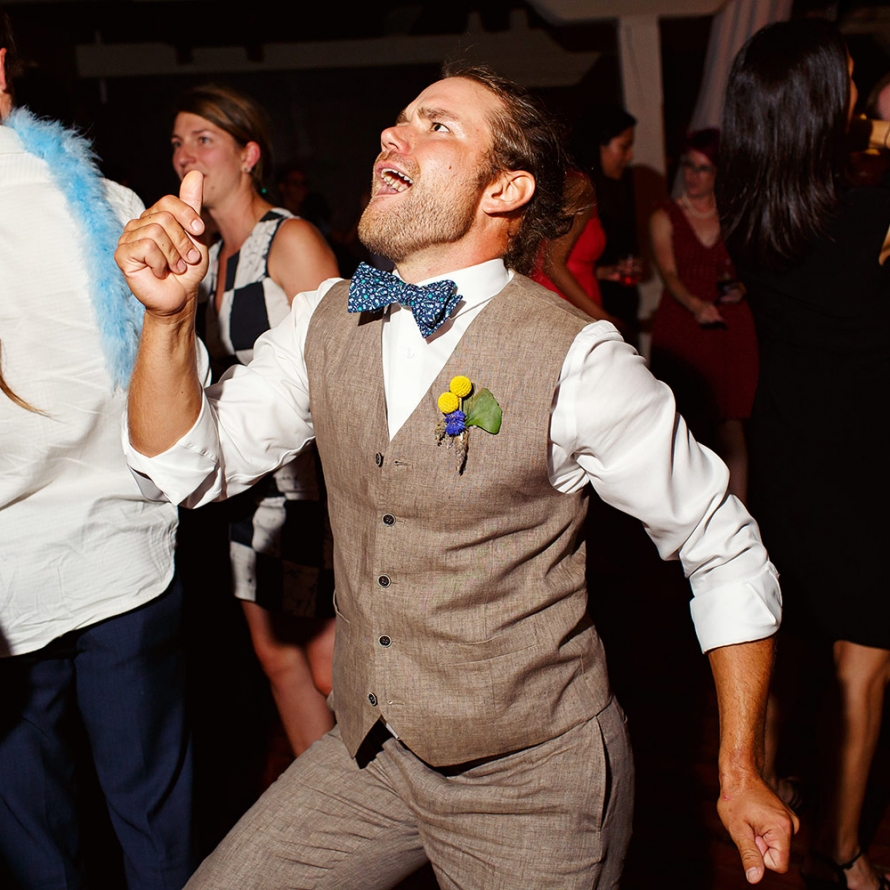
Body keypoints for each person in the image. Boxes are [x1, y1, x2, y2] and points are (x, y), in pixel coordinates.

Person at [118, 62, 795, 889]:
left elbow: (723, 545)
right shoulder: (323, 318)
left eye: (436, 124)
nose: (392, 133)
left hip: (532, 784)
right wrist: (167, 317)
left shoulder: (578, 361)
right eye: (401, 118)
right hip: (372, 751)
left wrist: (740, 767)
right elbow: (185, 468)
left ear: (505, 189)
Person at [0, 9, 195, 889]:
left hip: (16, 576)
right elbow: (178, 379)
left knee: (32, 833)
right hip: (124, 551)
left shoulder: (113, 203)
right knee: (155, 822)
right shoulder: (113, 203)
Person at [718, 20, 890, 890]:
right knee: (868, 659)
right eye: (850, 82)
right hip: (870, 453)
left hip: (789, 448)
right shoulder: (870, 213)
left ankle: (772, 783)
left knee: (785, 635)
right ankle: (845, 850)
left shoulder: (750, 212)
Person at [171, 84, 339, 759]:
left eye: (203, 139)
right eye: (177, 142)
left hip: (310, 492)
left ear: (248, 155)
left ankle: (393, 809)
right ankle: (326, 814)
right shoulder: (208, 258)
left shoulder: (288, 239)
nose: (185, 154)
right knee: (278, 664)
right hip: (245, 492)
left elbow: (341, 366)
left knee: (330, 671)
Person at [650, 128, 758, 502]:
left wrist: (743, 287)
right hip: (684, 325)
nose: (693, 175)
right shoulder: (665, 215)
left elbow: (753, 268)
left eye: (704, 168)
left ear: (719, 173)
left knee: (732, 424)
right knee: (686, 426)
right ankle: (690, 513)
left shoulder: (734, 215)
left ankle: (741, 513)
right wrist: (696, 305)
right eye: (689, 166)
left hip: (730, 326)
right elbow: (669, 274)